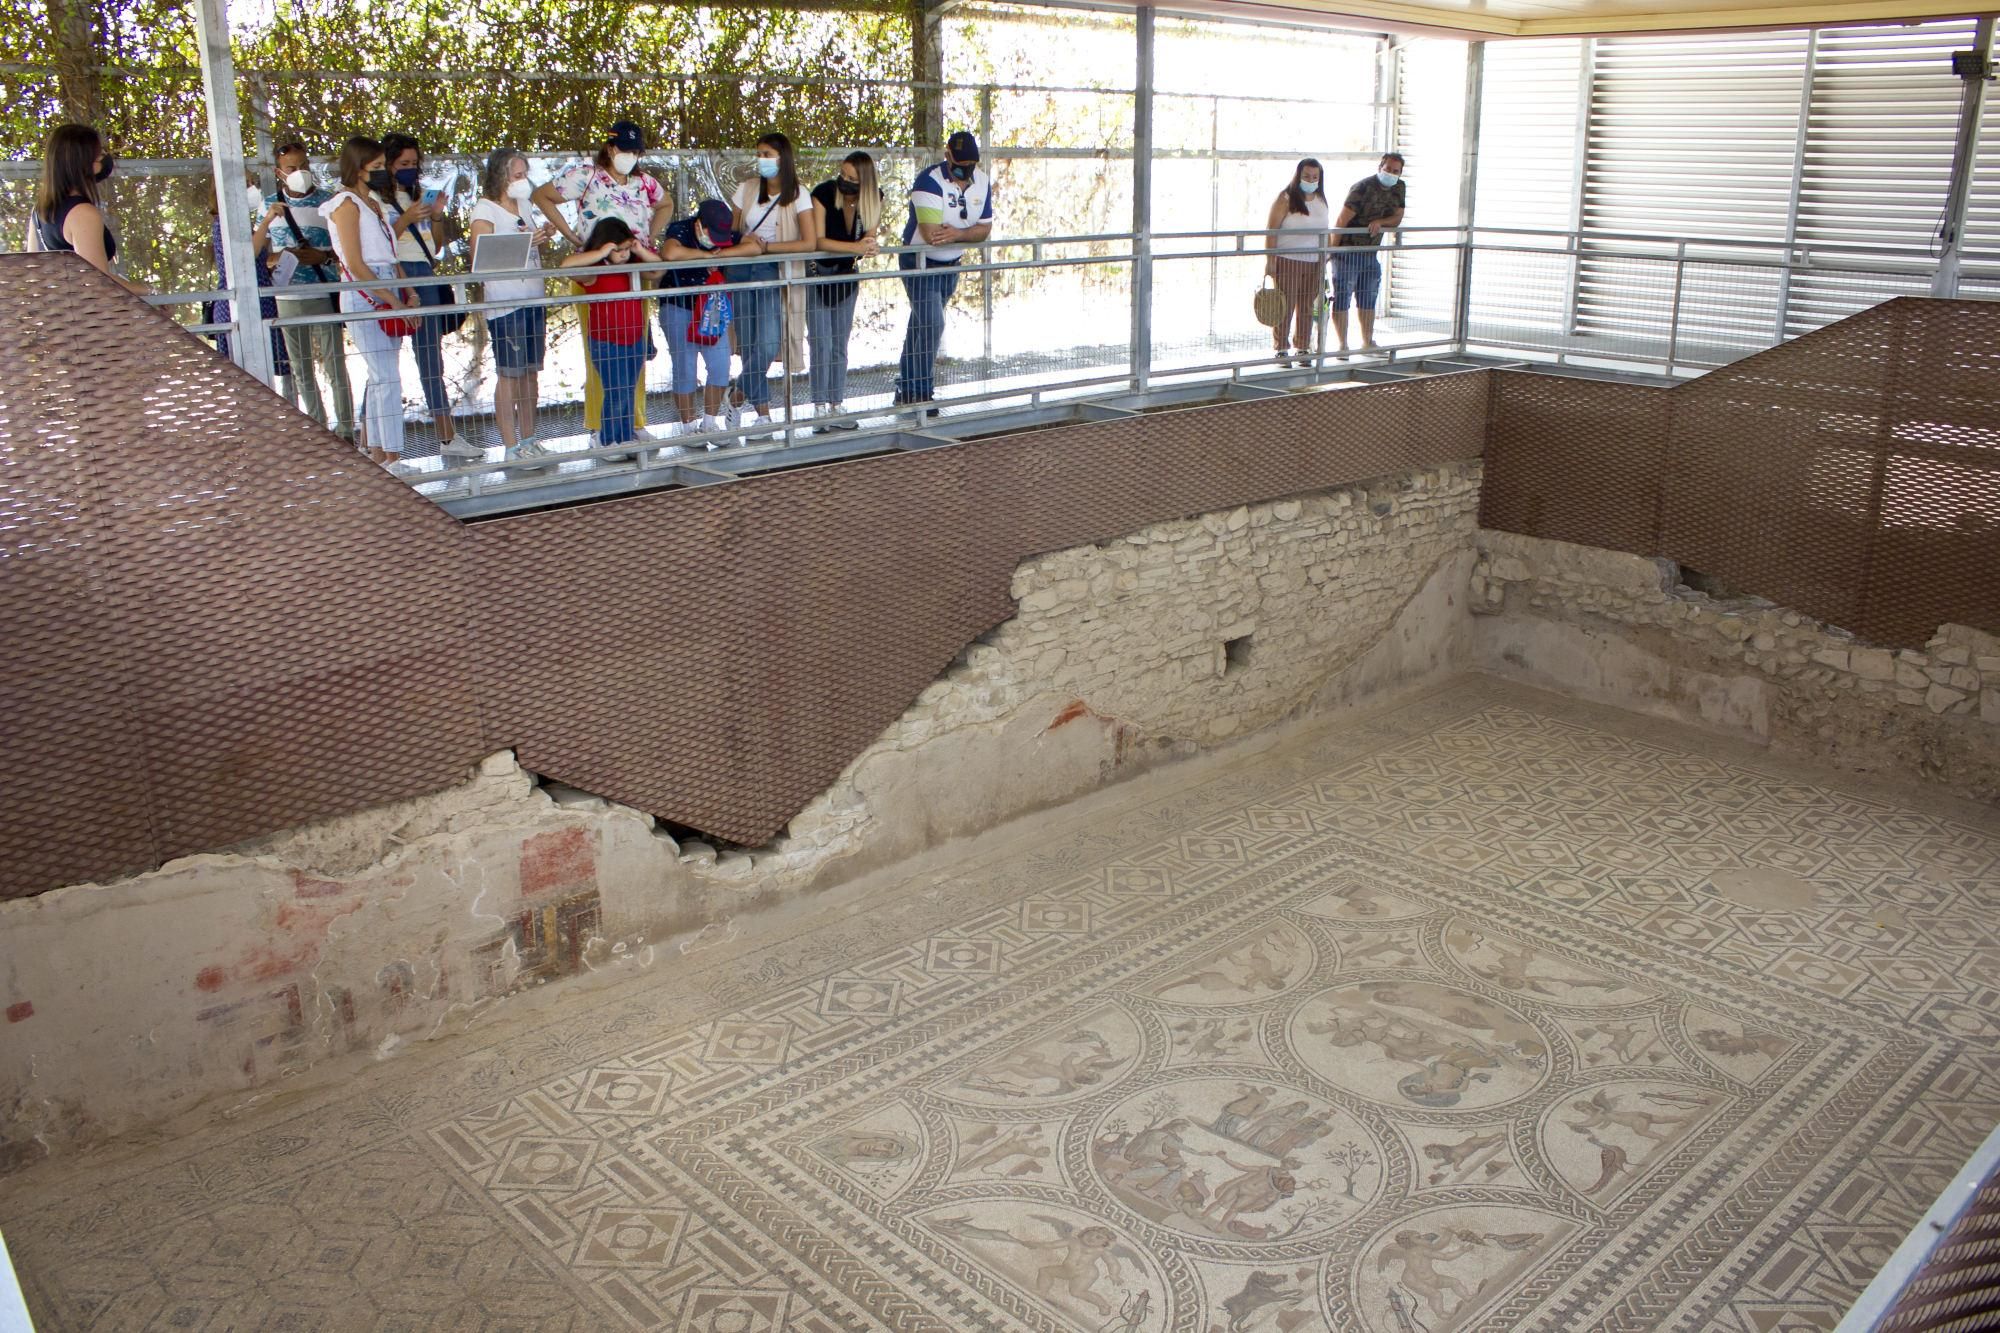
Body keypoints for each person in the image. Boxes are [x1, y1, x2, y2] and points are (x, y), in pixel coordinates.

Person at [532, 120, 672, 437]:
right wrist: (570, 234)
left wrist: (650, 235)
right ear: (610, 148)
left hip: (634, 270)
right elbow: (542, 196)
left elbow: (666, 203)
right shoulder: (587, 175)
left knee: (634, 347)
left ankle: (633, 422)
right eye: (625, 149)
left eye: (636, 151)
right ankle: (599, 426)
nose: (630, 156)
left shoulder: (644, 182)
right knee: (602, 351)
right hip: (597, 272)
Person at [377, 133, 475, 459]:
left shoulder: (414, 194)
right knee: (383, 360)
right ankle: (373, 439)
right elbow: (380, 242)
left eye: (414, 163)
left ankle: (447, 436)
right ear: (386, 164)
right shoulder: (375, 199)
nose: (409, 169)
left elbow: (435, 246)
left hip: (425, 272)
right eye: (403, 164)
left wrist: (435, 214)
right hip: (398, 275)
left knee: (430, 355)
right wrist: (406, 218)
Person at [324, 135, 414, 466]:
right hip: (365, 292)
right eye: (374, 167)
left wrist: (408, 291)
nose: (380, 172)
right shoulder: (344, 204)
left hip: (387, 282)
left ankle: (380, 451)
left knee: (382, 376)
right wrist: (391, 298)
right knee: (387, 376)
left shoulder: (373, 201)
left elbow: (391, 253)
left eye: (381, 166)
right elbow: (355, 263)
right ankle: (392, 453)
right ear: (357, 167)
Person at [260, 142, 356, 440]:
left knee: (335, 364)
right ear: (279, 172)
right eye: (292, 168)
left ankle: (346, 429)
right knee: (301, 368)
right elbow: (261, 252)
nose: (299, 173)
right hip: (287, 297)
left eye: (304, 166)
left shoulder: (330, 202)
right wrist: (279, 257)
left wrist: (323, 257)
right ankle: (318, 429)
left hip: (323, 292)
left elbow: (347, 249)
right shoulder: (268, 205)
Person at [896, 130, 993, 413]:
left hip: (951, 264)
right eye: (960, 161)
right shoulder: (929, 181)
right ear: (948, 155)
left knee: (922, 324)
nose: (965, 169)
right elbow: (932, 234)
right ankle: (920, 394)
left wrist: (958, 234)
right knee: (932, 323)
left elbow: (984, 229)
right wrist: (965, 233)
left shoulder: (983, 182)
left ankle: (905, 384)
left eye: (970, 163)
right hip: (920, 262)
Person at [469, 148, 555, 468]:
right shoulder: (485, 209)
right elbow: (479, 257)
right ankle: (509, 445)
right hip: (506, 303)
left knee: (530, 374)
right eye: (517, 175)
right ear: (500, 176)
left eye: (524, 174)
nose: (523, 181)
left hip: (533, 296)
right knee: (509, 375)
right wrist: (524, 244)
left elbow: (528, 241)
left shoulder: (524, 205)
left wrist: (542, 235)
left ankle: (530, 438)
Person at [727, 131, 818, 433]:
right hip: (741, 270)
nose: (761, 159)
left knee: (767, 343)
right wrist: (745, 240)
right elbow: (731, 232)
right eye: (759, 154)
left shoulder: (799, 194)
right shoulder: (747, 188)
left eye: (767, 154)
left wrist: (768, 248)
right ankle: (763, 415)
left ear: (783, 158)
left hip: (772, 270)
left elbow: (808, 242)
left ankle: (736, 394)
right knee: (750, 344)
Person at [656, 199, 759, 441]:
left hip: (712, 309)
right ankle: (688, 426)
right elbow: (670, 252)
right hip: (678, 307)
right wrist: (703, 255)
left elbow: (753, 248)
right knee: (685, 367)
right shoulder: (680, 229)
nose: (715, 240)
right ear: (700, 224)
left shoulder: (725, 236)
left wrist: (721, 252)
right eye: (712, 234)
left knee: (720, 365)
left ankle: (710, 423)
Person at [560, 217, 657, 457]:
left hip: (634, 340)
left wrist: (639, 250)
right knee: (615, 391)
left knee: (628, 389)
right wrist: (601, 252)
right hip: (605, 342)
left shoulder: (633, 266)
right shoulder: (594, 271)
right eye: (618, 250)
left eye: (626, 249)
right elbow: (565, 267)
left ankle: (624, 438)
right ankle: (606, 440)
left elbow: (659, 269)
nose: (623, 255)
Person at [806, 151, 882, 430]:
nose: (845, 182)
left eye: (853, 179)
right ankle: (818, 408)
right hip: (817, 273)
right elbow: (819, 241)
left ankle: (836, 404)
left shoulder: (875, 198)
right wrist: (857, 247)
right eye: (843, 175)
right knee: (820, 342)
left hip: (847, 276)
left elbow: (869, 237)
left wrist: (869, 245)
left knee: (840, 343)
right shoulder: (824, 193)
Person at [29, 123, 147, 294]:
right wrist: (149, 291)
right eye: (99, 157)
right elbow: (98, 281)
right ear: (84, 164)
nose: (104, 162)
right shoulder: (82, 213)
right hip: (87, 316)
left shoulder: (39, 210)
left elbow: (33, 268)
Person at [208, 180, 292, 384]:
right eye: (245, 183)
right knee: (244, 375)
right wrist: (266, 222)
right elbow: (247, 255)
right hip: (238, 306)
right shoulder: (223, 224)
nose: (252, 186)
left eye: (252, 181)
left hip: (262, 300)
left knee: (265, 371)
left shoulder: (242, 223)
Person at [1332, 151, 1407, 356]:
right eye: (1387, 169)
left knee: (1368, 296)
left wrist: (1381, 222)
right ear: (1380, 167)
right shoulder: (1362, 188)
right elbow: (1341, 221)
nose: (1390, 173)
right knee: (1342, 296)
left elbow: (1398, 217)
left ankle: (1367, 342)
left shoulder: (1399, 188)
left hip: (1370, 253)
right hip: (1347, 251)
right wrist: (1330, 251)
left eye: (1395, 171)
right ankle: (1342, 346)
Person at [1264, 158, 1329, 365]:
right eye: (1307, 176)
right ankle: (1281, 348)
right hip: (1288, 259)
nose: (1311, 180)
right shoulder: (1285, 198)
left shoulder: (1320, 199)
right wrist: (1270, 260)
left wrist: (1326, 255)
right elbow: (1271, 230)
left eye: (1315, 177)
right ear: (1298, 176)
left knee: (1307, 306)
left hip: (1314, 261)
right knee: (1286, 304)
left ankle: (1302, 346)